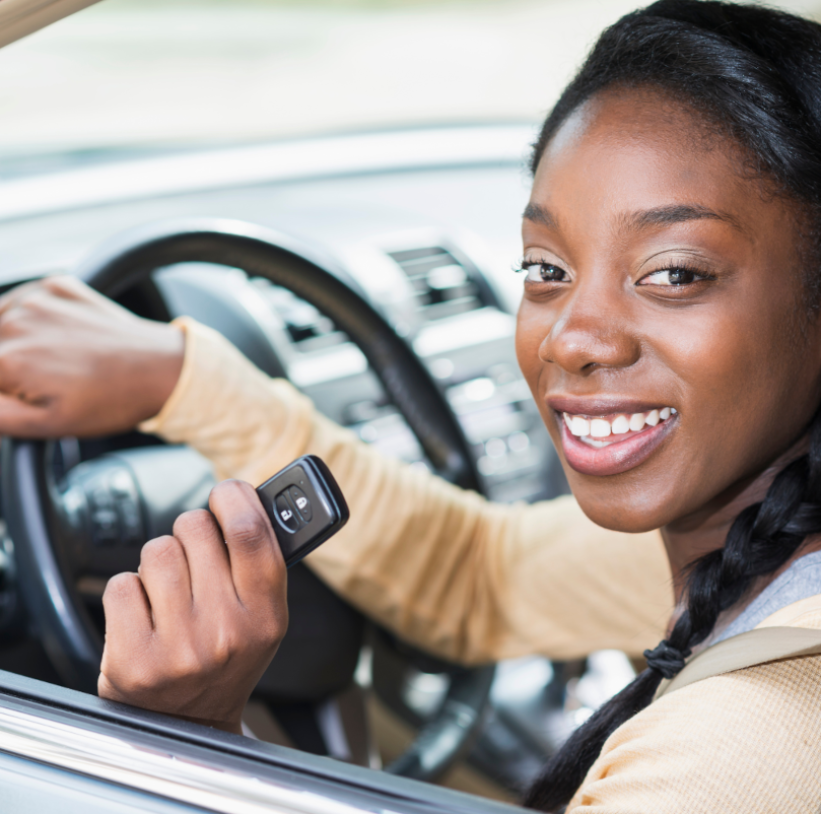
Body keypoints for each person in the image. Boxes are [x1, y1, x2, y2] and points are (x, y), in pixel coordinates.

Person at [3, 0, 821, 809]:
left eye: (673, 273)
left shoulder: (727, 756)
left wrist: (192, 749)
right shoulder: (766, 544)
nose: (573, 338)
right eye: (544, 269)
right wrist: (177, 377)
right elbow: (480, 577)